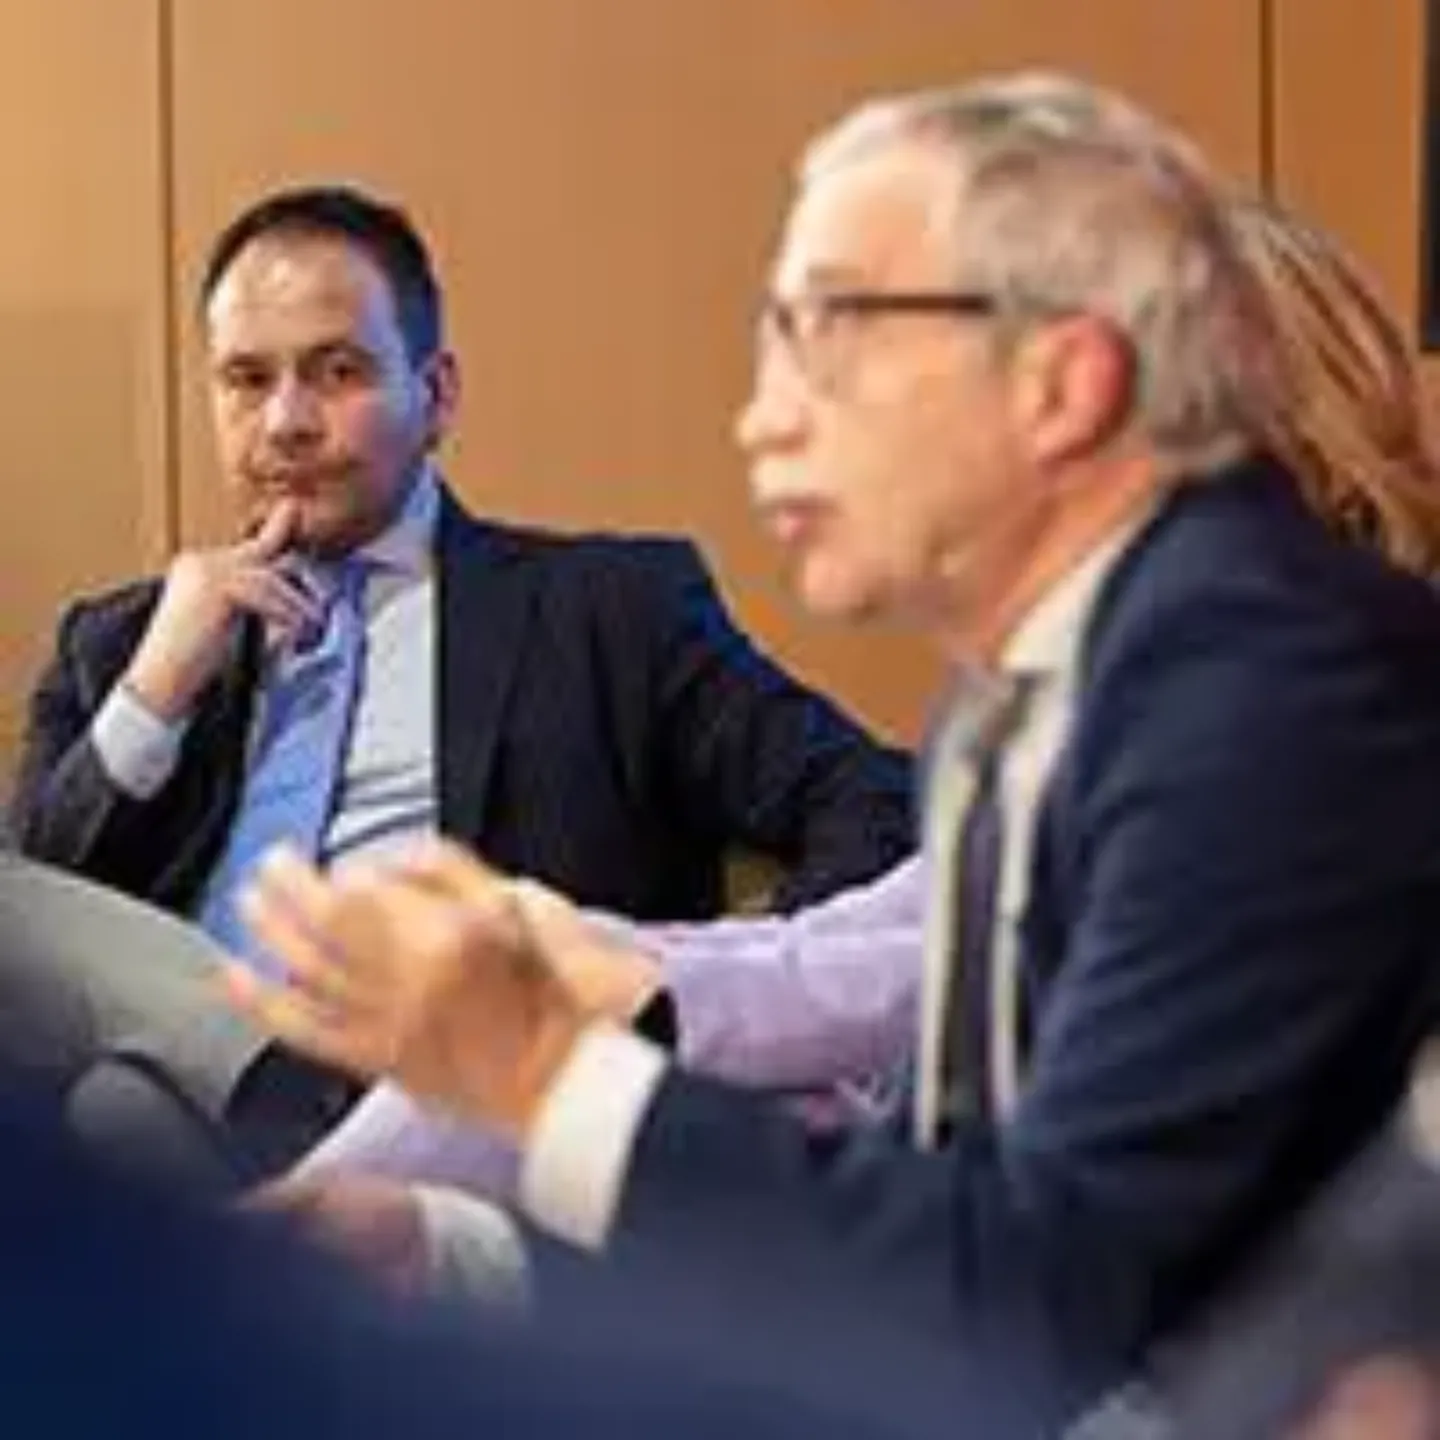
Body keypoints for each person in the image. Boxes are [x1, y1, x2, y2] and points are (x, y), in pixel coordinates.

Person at [227, 73, 1440, 1435]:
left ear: (1070, 383)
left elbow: (1035, 1296)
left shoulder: (1271, 701)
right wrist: (462, 1245)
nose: (762, 420)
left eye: (830, 341)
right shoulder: (1024, 704)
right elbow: (947, 1186)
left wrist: (556, 1068)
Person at [4, 184, 913, 1169]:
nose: (286, 422)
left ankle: (312, 1096)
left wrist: (670, 997)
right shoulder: (121, 641)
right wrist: (153, 695)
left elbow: (873, 803)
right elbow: (45, 941)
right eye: (246, 379)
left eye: (336, 371)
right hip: (190, 1113)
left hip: (462, 1106)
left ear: (435, 395)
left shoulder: (606, 609)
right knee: (108, 1109)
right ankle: (285, 1082)